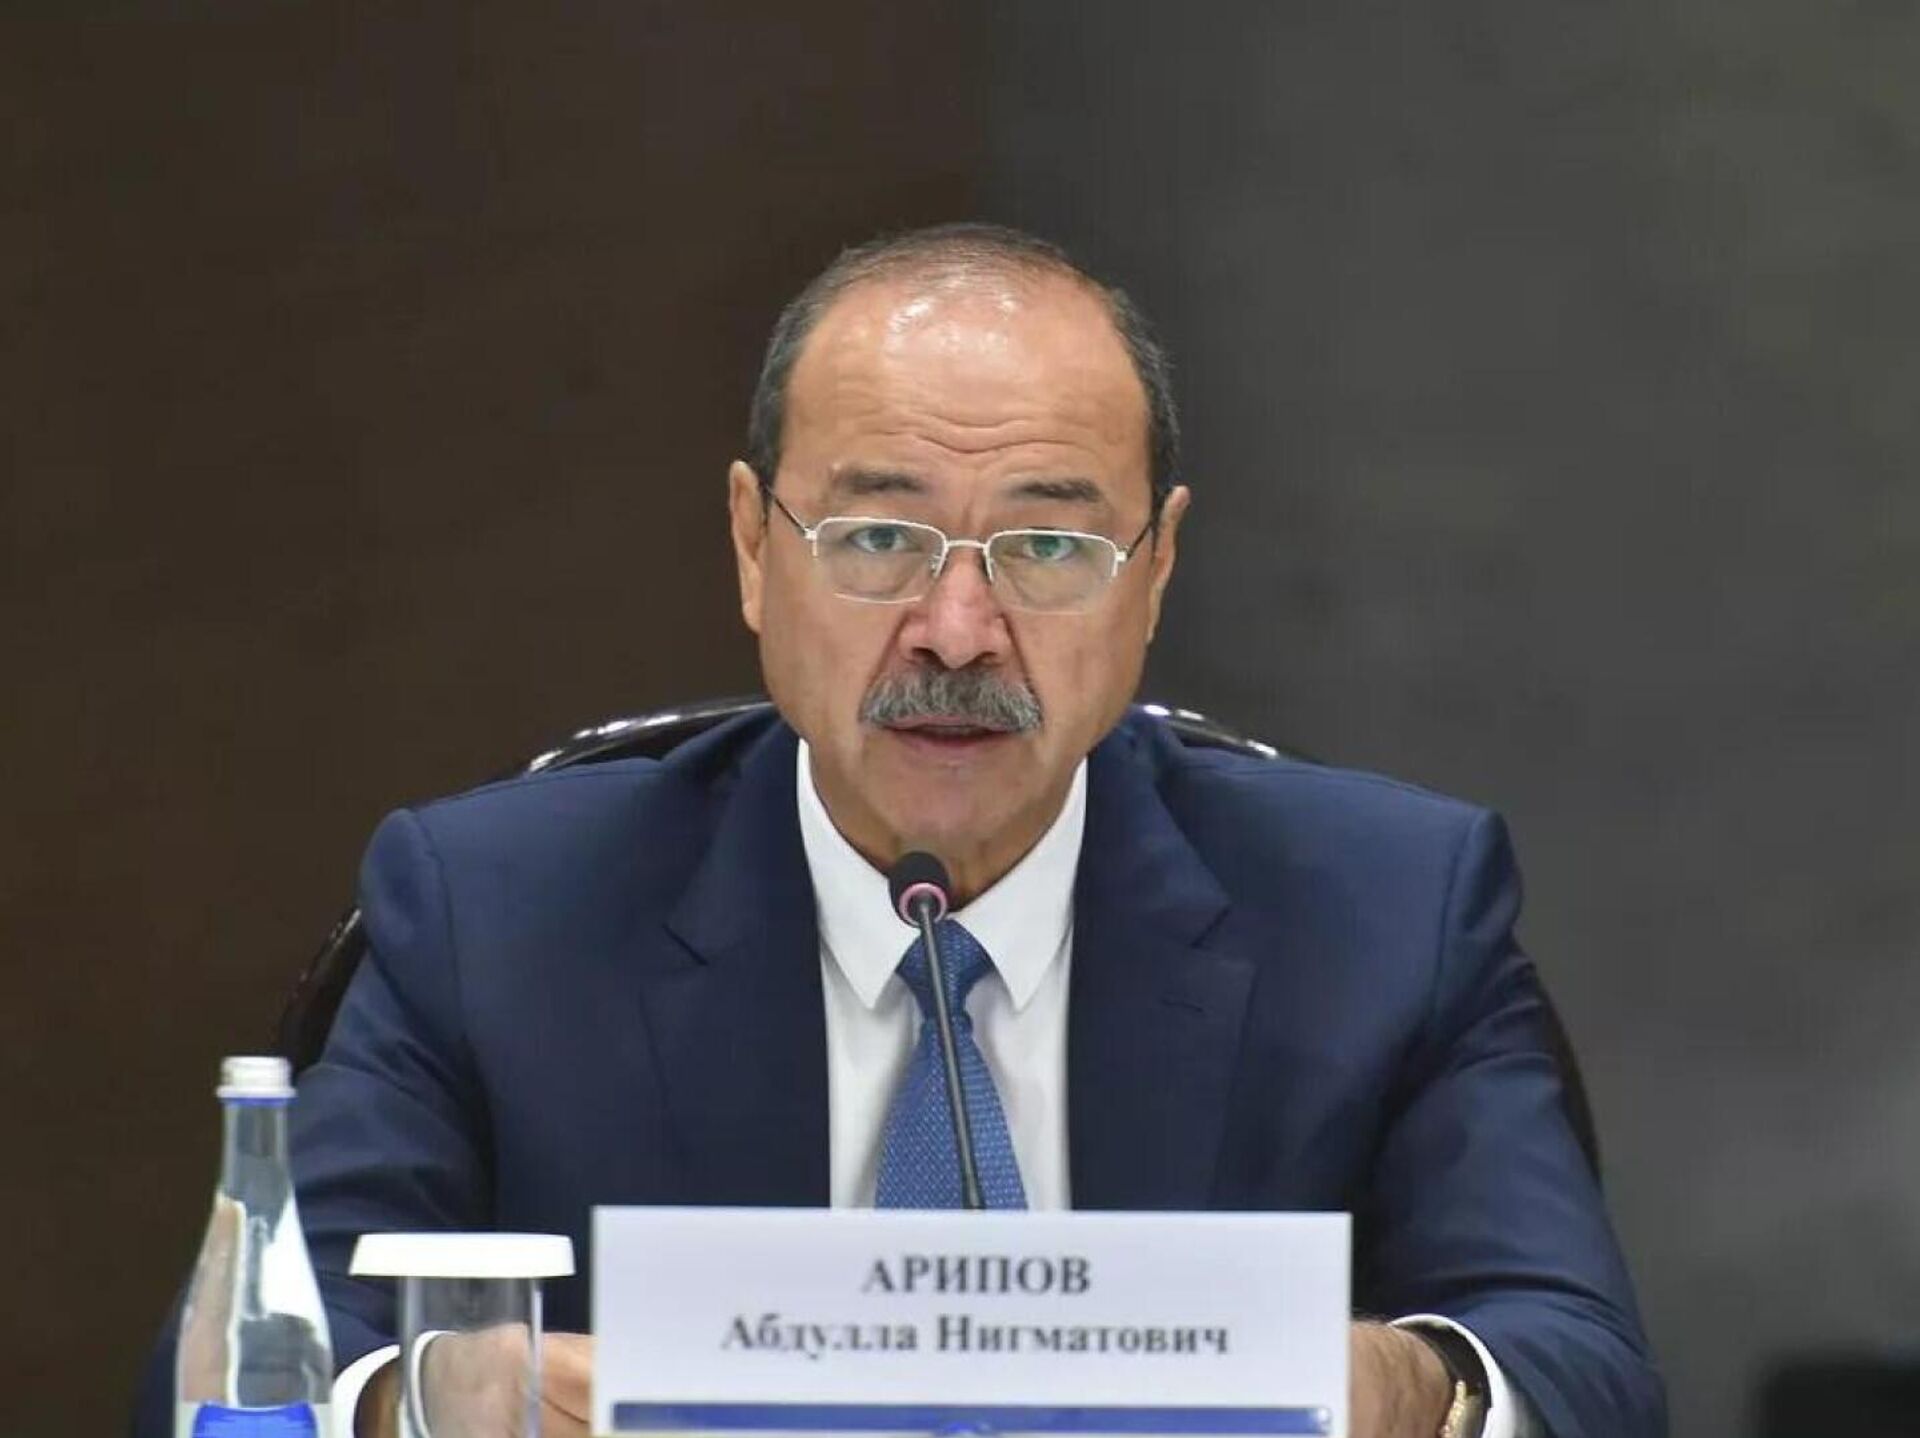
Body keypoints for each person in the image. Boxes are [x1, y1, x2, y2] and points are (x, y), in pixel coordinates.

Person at [134, 223, 1664, 1438]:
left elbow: (1580, 1366)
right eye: (877, 535)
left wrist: (1413, 1387)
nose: (956, 629)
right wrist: (434, 1398)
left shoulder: (1388, 910)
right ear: (754, 547)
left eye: (1047, 544)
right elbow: (223, 1380)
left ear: (1154, 573)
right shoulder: (496, 910)